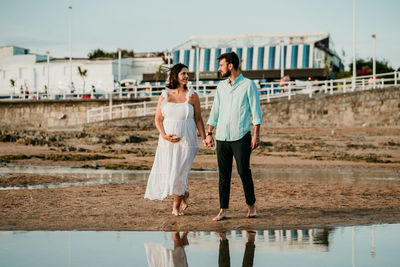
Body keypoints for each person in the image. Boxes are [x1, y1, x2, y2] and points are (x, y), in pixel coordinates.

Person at [205, 52, 262, 221]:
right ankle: (223, 209)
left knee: (244, 172)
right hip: (222, 137)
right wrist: (209, 133)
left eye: (221, 65)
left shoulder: (248, 85)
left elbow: (256, 111)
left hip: (241, 135)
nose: (219, 68)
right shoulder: (221, 87)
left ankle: (251, 206)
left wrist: (256, 136)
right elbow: (215, 111)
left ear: (230, 66)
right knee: (224, 176)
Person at [145, 63, 206, 216]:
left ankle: (175, 207)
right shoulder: (165, 95)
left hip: (187, 141)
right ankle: (183, 194)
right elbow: (158, 120)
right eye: (183, 74)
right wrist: (164, 135)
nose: (186, 76)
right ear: (175, 76)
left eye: (187, 73)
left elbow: (198, 119)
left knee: (180, 173)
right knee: (170, 173)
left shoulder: (192, 95)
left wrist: (205, 137)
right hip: (167, 143)